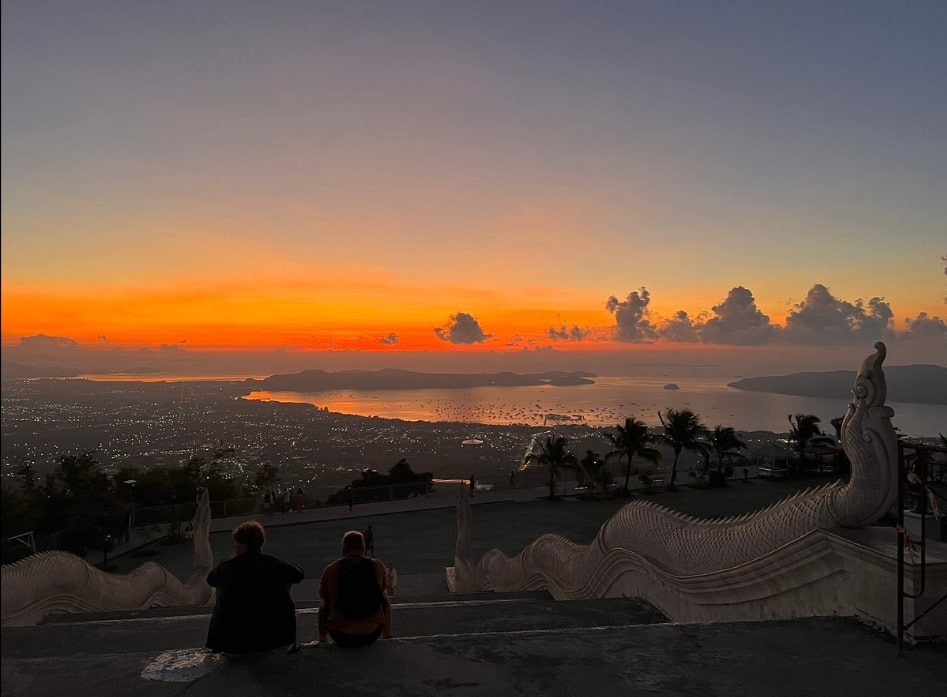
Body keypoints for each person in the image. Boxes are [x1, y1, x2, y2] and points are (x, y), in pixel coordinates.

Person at [205, 520, 304, 656]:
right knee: (286, 579)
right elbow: (298, 573)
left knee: (220, 585)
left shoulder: (226, 568)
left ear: (242, 544)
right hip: (272, 641)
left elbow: (210, 579)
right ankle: (285, 633)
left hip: (232, 643)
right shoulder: (273, 564)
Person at [318, 530, 391, 648]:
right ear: (363, 548)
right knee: (385, 595)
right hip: (372, 633)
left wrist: (322, 638)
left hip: (341, 635)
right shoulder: (377, 565)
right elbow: (383, 599)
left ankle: (322, 639)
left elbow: (324, 605)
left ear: (343, 549)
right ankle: (387, 635)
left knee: (324, 600)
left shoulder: (332, 569)